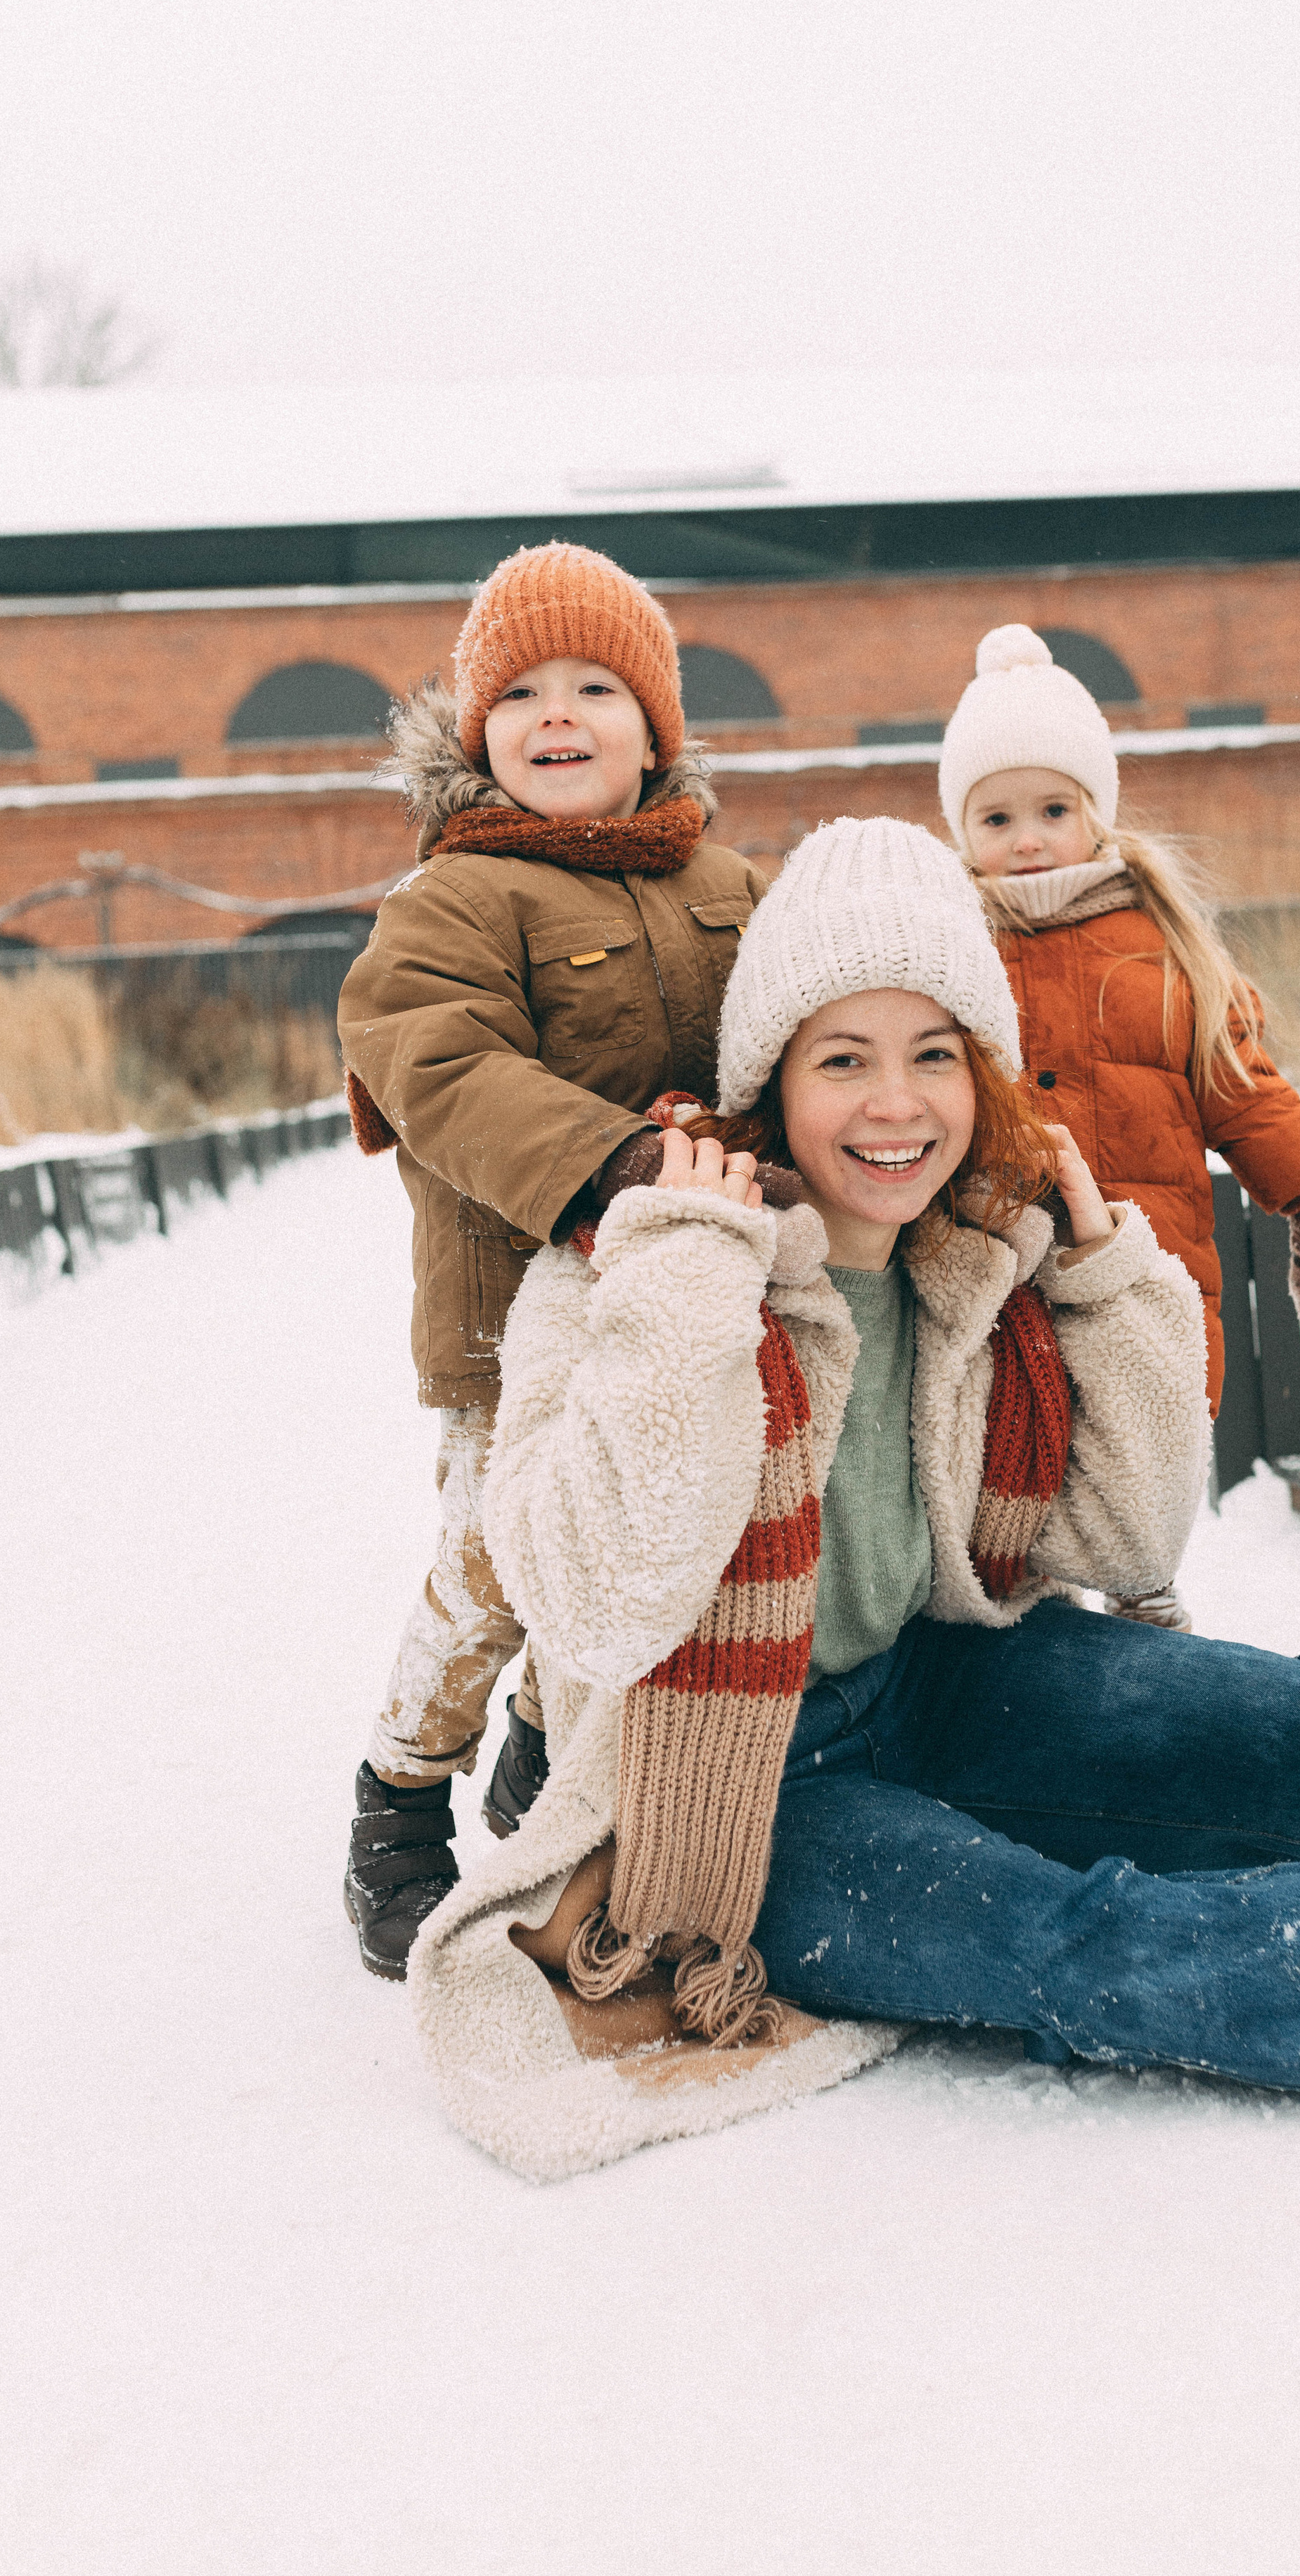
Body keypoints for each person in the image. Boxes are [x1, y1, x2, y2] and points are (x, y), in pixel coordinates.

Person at [404, 813, 1300, 2184]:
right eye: (843, 1059)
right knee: (1092, 1943)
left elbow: (1127, 1539)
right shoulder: (617, 1263)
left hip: (935, 1677)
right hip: (728, 1800)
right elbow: (590, 1609)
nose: (894, 1105)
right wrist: (684, 1284)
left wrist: (1105, 1265)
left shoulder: (972, 1251)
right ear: (769, 1076)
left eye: (932, 1055)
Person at [335, 541, 768, 1978]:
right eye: (518, 692)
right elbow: (436, 1061)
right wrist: (619, 1158)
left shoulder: (724, 879)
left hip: (678, 1307)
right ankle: (400, 1801)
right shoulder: (452, 903)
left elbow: (788, 1029)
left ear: (655, 727)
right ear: (476, 734)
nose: (557, 713)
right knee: (496, 1570)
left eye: (595, 684)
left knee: (641, 1548)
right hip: (503, 1322)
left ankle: (545, 1765)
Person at [941, 624, 1300, 1628]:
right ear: (963, 831)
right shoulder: (950, 950)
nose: (1029, 837)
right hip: (1002, 1278)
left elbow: (1245, 1089)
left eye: (1054, 809)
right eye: (997, 816)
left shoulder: (1160, 954)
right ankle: (1027, 1638)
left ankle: (1146, 1607)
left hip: (1150, 1272)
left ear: (1098, 814)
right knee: (1014, 1461)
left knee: (1139, 1453)